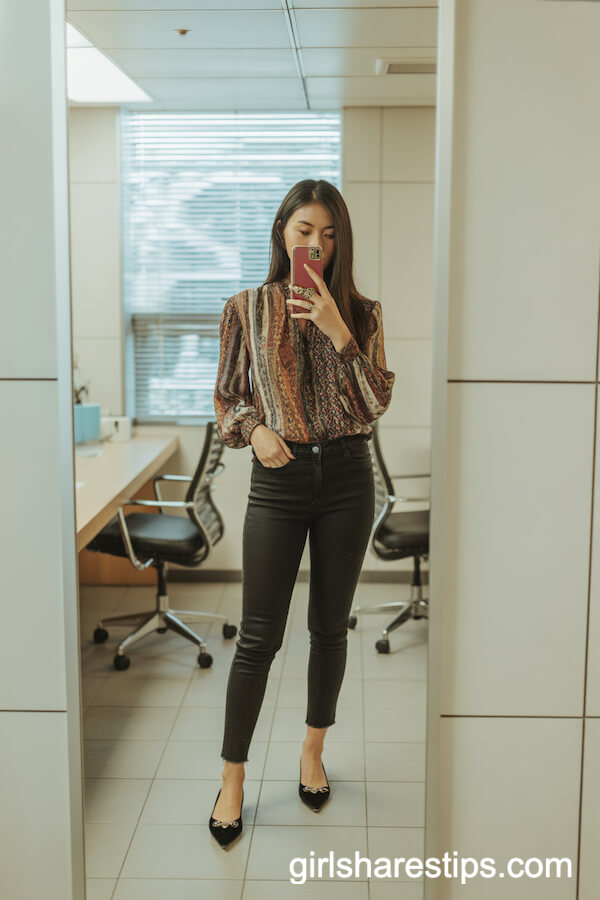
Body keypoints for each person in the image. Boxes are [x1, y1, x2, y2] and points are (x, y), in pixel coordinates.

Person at [209, 178, 395, 848]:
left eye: (329, 234)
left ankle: (313, 749)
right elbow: (228, 399)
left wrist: (338, 330)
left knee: (330, 630)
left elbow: (375, 405)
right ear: (282, 232)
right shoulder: (245, 308)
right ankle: (232, 776)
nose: (316, 244)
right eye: (304, 230)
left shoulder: (364, 314)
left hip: (347, 476)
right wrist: (255, 429)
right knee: (259, 638)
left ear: (340, 243)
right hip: (278, 480)